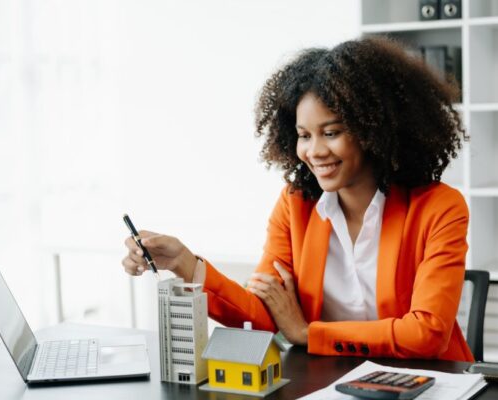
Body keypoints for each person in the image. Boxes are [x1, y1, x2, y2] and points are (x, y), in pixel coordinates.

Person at [122, 36, 473, 362]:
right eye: (304, 135)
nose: (315, 151)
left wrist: (308, 333)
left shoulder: (439, 208)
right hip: (334, 384)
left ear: (373, 130)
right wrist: (184, 263)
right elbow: (260, 314)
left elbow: (427, 333)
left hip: (431, 382)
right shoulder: (295, 205)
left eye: (331, 133)